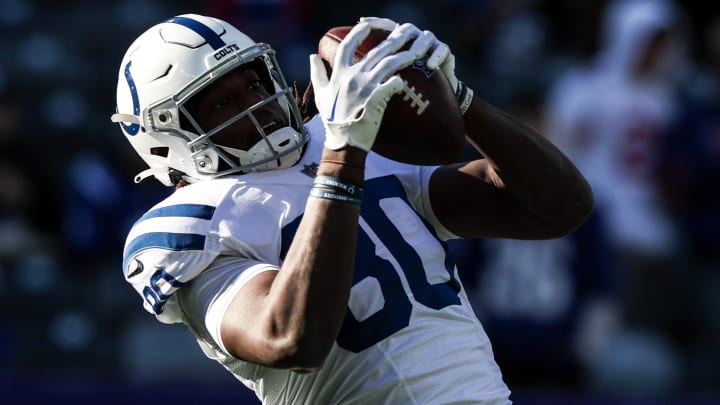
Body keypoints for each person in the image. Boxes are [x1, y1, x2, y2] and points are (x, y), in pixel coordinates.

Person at [111, 13, 593, 404]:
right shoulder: (190, 223)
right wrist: (343, 157)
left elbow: (558, 209)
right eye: (220, 104)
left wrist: (462, 101)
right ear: (166, 138)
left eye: (254, 84)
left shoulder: (348, 134)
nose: (257, 104)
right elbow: (288, 337)